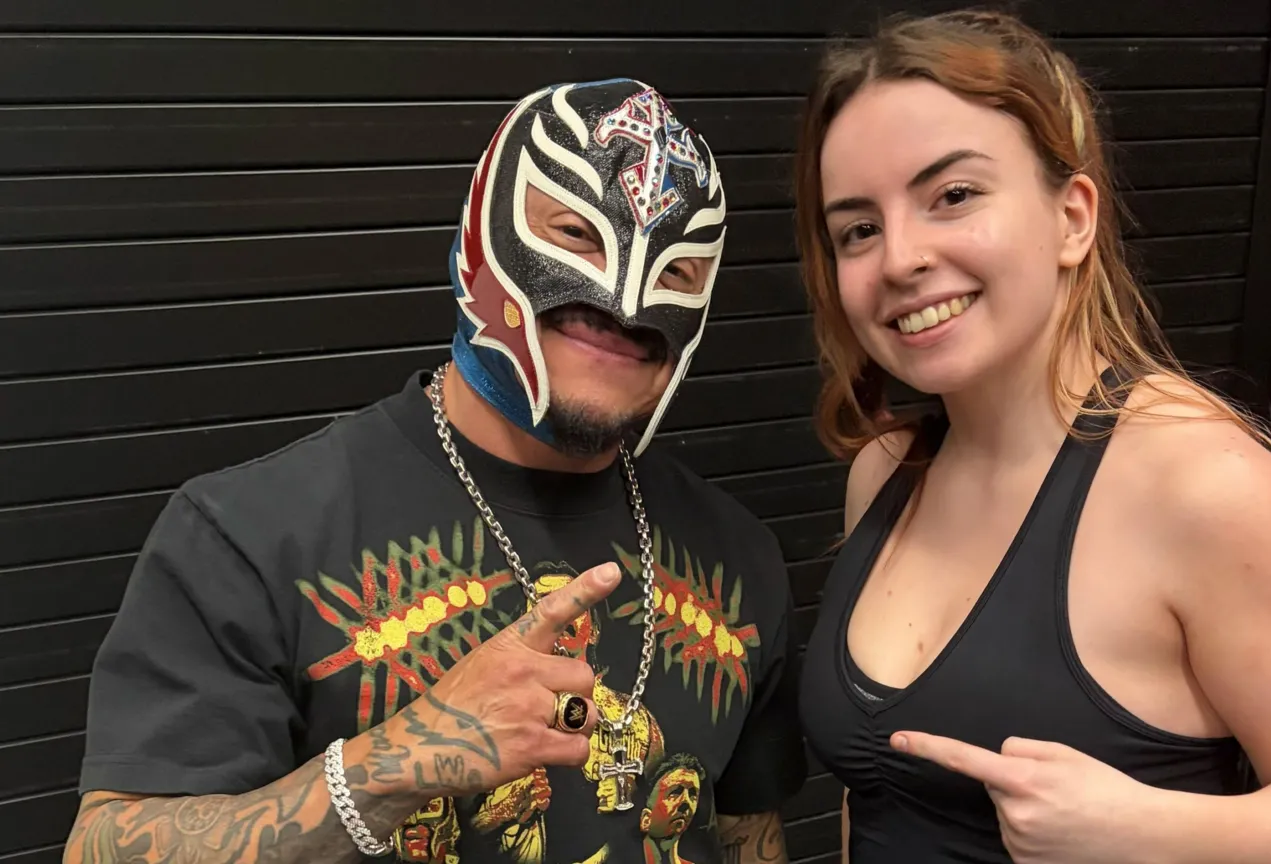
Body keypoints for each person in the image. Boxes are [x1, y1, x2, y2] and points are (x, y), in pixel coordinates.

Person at [64, 78, 805, 864]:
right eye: (578, 234)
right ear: (484, 236)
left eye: (679, 272)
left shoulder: (740, 558)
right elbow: (101, 849)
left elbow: (745, 834)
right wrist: (396, 764)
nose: (623, 300)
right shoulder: (247, 536)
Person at [792, 11, 1271, 864]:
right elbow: (876, 795)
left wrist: (1144, 829)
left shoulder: (1206, 486)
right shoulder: (888, 471)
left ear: (1073, 217)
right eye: (858, 229)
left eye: (954, 196)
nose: (900, 257)